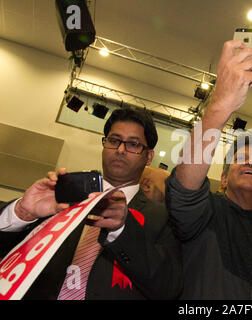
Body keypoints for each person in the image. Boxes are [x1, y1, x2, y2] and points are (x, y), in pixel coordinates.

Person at [0, 108, 182, 300]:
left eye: (133, 144)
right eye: (114, 140)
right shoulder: (61, 196)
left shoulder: (164, 218)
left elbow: (168, 286)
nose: (120, 150)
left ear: (149, 157)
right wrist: (22, 212)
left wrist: (121, 230)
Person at [165, 40, 252, 299]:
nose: (250, 163)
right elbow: (184, 190)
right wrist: (220, 105)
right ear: (224, 178)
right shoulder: (207, 213)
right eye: (242, 158)